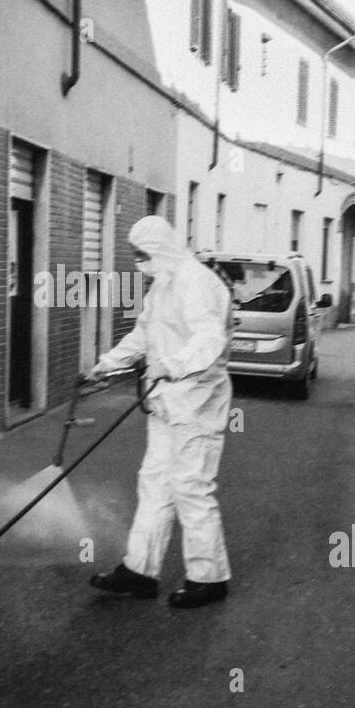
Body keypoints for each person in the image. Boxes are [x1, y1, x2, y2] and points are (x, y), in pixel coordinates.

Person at [87, 215, 234, 608]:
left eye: (142, 255)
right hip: (167, 405)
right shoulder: (163, 286)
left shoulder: (197, 283)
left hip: (198, 405)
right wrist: (107, 364)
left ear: (162, 248)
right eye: (135, 256)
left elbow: (209, 339)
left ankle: (209, 577)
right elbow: (144, 333)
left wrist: (173, 365)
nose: (139, 263)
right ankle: (140, 571)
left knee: (191, 488)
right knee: (153, 485)